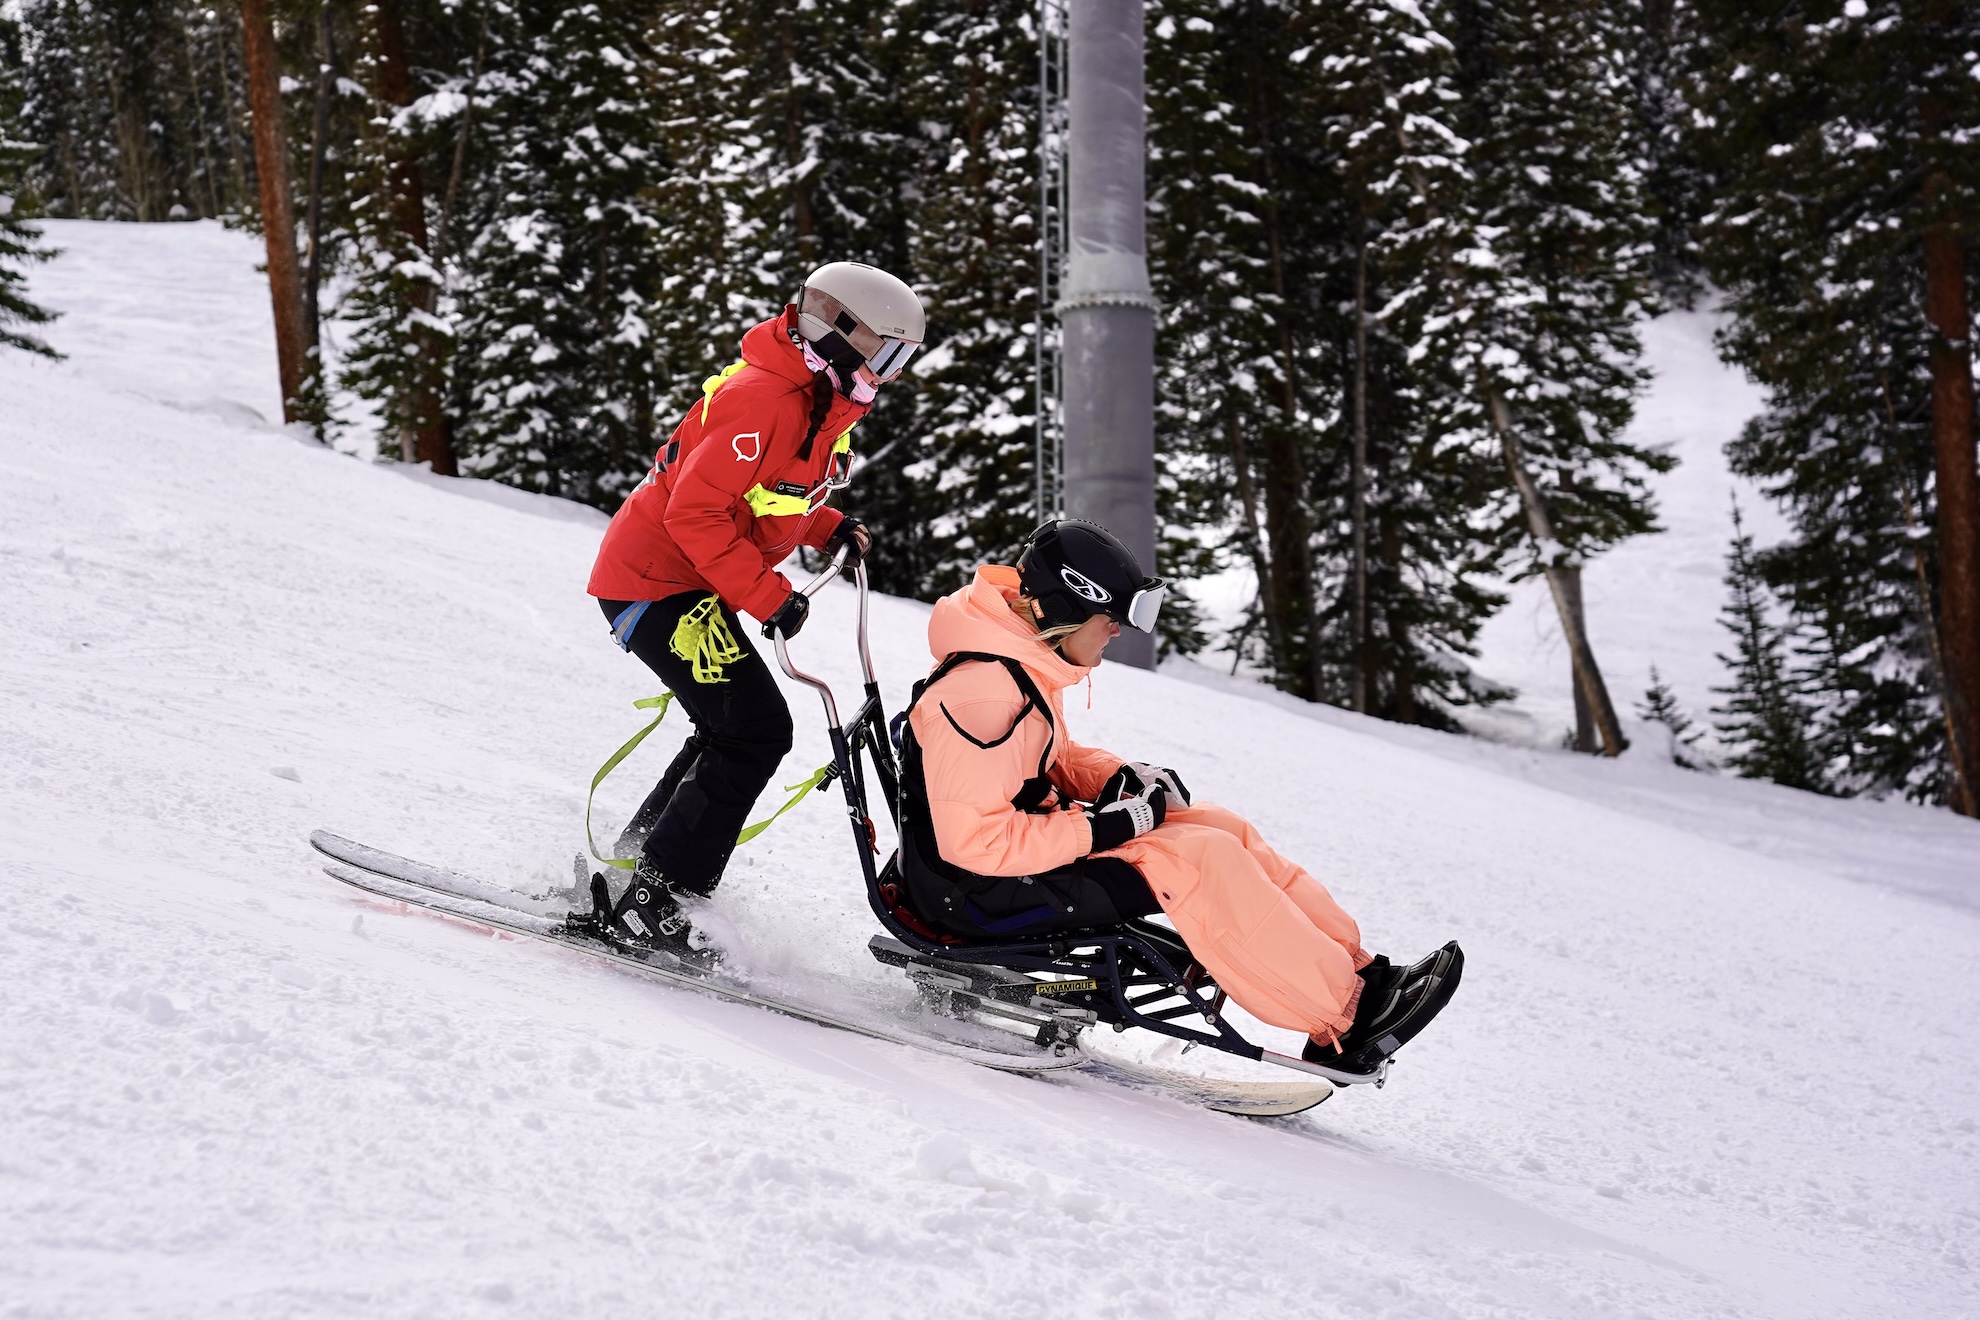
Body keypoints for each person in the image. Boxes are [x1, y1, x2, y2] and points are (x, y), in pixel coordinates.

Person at [894, 518, 1461, 1076]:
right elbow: (978, 842)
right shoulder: (983, 693)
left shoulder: (1016, 664)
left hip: (1001, 869)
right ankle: (1344, 1017)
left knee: (1218, 826)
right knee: (1197, 861)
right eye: (1109, 619)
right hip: (974, 894)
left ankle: (1361, 979)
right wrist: (1110, 828)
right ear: (1062, 612)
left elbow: (1042, 759)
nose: (1117, 632)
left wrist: (1117, 778)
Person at [587, 260, 925, 956]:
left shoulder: (818, 402)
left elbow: (770, 498)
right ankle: (655, 904)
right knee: (754, 729)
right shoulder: (765, 398)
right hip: (654, 580)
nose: (889, 374)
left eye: (901, 359)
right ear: (835, 334)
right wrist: (768, 596)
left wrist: (827, 526)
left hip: (687, 580)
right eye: (884, 353)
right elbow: (698, 513)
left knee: (733, 726)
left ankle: (637, 870)